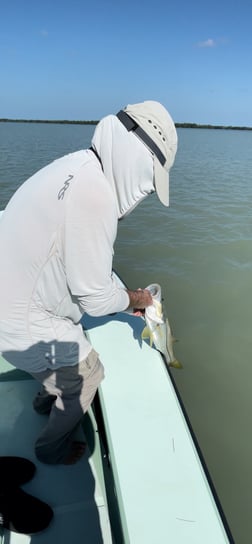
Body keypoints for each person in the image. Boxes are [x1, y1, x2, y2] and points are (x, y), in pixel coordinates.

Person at [0, 100, 178, 465]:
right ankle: (50, 448)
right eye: (149, 182)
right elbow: (95, 299)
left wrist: (124, 297)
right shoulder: (96, 196)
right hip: (17, 317)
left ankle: (45, 398)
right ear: (140, 161)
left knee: (68, 354)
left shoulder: (77, 165)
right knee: (89, 374)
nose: (144, 193)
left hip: (12, 295)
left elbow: (75, 256)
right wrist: (137, 298)